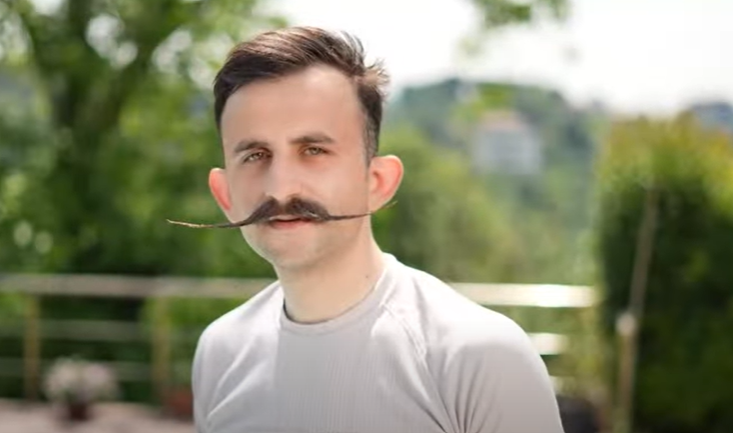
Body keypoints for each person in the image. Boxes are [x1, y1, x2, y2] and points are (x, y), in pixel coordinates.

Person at [188, 26, 565, 433]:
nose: (280, 187)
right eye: (255, 155)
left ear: (378, 182)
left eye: (313, 150)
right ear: (224, 194)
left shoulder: (479, 355)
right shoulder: (219, 353)